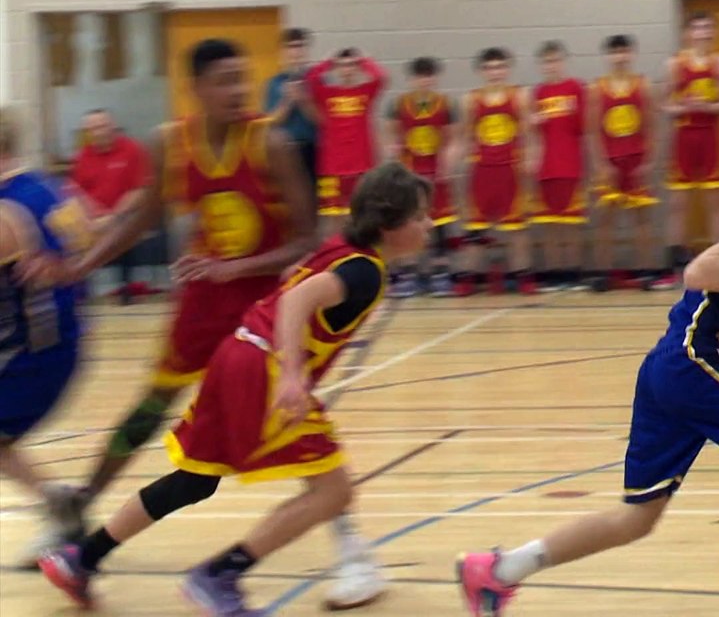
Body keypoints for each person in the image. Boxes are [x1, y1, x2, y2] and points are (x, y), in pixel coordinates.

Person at [21, 39, 387, 609]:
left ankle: (350, 550)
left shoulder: (272, 142)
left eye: (244, 79)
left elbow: (306, 238)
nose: (239, 91)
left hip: (267, 307)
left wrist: (233, 267)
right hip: (201, 304)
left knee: (301, 431)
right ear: (197, 88)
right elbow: (139, 219)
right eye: (226, 81)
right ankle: (80, 520)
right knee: (151, 410)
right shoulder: (172, 142)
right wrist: (79, 268)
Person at [457, 133, 719, 614]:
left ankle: (497, 570)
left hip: (671, 371)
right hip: (694, 359)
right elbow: (700, 269)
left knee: (636, 518)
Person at [41, 163, 432, 616]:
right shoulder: (364, 271)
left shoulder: (341, 248)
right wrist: (290, 373)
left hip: (236, 353)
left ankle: (81, 560)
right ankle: (220, 575)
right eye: (420, 216)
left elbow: (292, 284)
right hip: (262, 369)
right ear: (389, 223)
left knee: (194, 481)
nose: (428, 225)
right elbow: (296, 299)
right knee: (334, 492)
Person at [0, 106, 96, 575]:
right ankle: (58, 506)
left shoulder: (7, 211)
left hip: (35, 352)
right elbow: (91, 231)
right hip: (63, 337)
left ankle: (59, 509)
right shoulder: (47, 187)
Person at [657, 11, 719, 289]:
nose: (702, 33)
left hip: (711, 134)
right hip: (684, 136)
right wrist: (683, 107)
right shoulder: (675, 64)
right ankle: (675, 267)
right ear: (688, 33)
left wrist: (709, 107)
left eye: (707, 27)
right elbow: (665, 104)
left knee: (717, 201)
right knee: (678, 204)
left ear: (714, 31)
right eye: (697, 28)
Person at [456, 47, 537, 296]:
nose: (495, 72)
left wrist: (532, 158)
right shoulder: (470, 100)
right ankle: (468, 277)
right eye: (490, 68)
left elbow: (529, 133)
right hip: (482, 168)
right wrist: (458, 162)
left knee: (517, 228)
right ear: (481, 71)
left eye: (500, 67)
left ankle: (523, 276)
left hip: (511, 168)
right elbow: (465, 136)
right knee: (476, 227)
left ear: (508, 69)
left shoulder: (520, 96)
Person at [382, 56, 459, 298]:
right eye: (420, 76)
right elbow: (390, 138)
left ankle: (440, 274)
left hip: (436, 173)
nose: (424, 80)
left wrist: (450, 160)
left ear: (435, 78)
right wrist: (392, 156)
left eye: (428, 75)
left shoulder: (447, 104)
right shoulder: (398, 104)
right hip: (410, 173)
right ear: (411, 79)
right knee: (407, 224)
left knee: (439, 225)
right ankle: (408, 274)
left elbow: (454, 139)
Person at [588, 34, 659, 291]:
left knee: (642, 219)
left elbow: (652, 126)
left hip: (637, 159)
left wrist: (649, 161)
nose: (620, 57)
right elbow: (593, 130)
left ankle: (646, 272)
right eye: (615, 52)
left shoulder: (644, 85)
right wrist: (599, 163)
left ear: (632, 54)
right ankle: (603, 272)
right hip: (609, 161)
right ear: (608, 56)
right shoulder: (597, 89)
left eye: (624, 52)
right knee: (605, 220)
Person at [68, 108, 156, 303]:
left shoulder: (133, 149)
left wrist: (112, 217)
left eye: (102, 126)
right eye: (92, 129)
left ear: (113, 126)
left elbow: (140, 190)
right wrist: (90, 217)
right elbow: (76, 192)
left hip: (125, 215)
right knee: (69, 230)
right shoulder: (83, 156)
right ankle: (79, 290)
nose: (98, 132)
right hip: (93, 219)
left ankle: (127, 290)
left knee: (125, 225)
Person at [306, 48, 387, 230]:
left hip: (361, 164)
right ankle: (339, 249)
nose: (347, 70)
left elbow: (381, 78)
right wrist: (330, 62)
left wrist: (363, 61)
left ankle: (360, 246)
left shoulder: (365, 92)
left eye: (351, 65)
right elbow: (311, 79)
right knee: (334, 215)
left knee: (362, 210)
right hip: (332, 165)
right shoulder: (327, 93)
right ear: (337, 69)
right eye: (343, 66)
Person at [529, 41, 588, 292]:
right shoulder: (537, 93)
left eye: (556, 60)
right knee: (550, 223)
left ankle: (572, 271)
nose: (552, 66)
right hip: (546, 166)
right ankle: (554, 273)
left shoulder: (576, 89)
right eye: (547, 61)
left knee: (571, 223)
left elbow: (586, 128)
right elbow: (530, 133)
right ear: (542, 65)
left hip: (571, 163)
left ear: (564, 61)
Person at [264, 28, 321, 196]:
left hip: (314, 149)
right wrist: (288, 101)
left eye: (299, 46)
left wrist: (304, 100)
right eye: (290, 47)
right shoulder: (274, 83)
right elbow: (270, 122)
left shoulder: (318, 80)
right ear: (283, 52)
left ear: (306, 50)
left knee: (316, 199)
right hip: (286, 151)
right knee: (290, 199)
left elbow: (323, 121)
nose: (295, 52)